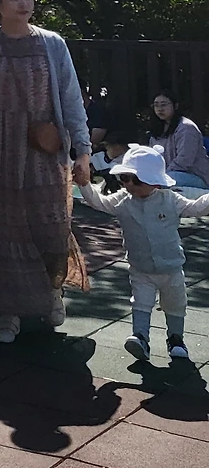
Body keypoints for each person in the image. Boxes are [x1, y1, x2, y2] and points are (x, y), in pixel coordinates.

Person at [0, 0, 90, 344]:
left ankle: (53, 292)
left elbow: (71, 98)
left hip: (42, 150)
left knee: (50, 225)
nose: (24, 3)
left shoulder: (53, 44)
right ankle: (8, 311)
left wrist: (83, 151)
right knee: (2, 230)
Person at [77, 145, 209, 361]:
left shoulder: (170, 199)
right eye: (124, 178)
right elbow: (98, 202)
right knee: (140, 302)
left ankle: (176, 339)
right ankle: (140, 337)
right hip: (140, 268)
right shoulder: (123, 200)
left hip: (171, 268)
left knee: (175, 304)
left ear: (155, 183)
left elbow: (196, 207)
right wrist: (84, 184)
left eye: (136, 180)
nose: (129, 185)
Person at [150, 92, 209, 190]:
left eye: (164, 104)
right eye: (156, 105)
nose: (160, 109)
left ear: (175, 106)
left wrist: (162, 176)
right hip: (168, 174)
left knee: (162, 181)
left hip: (196, 176)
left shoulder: (186, 127)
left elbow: (185, 160)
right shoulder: (157, 130)